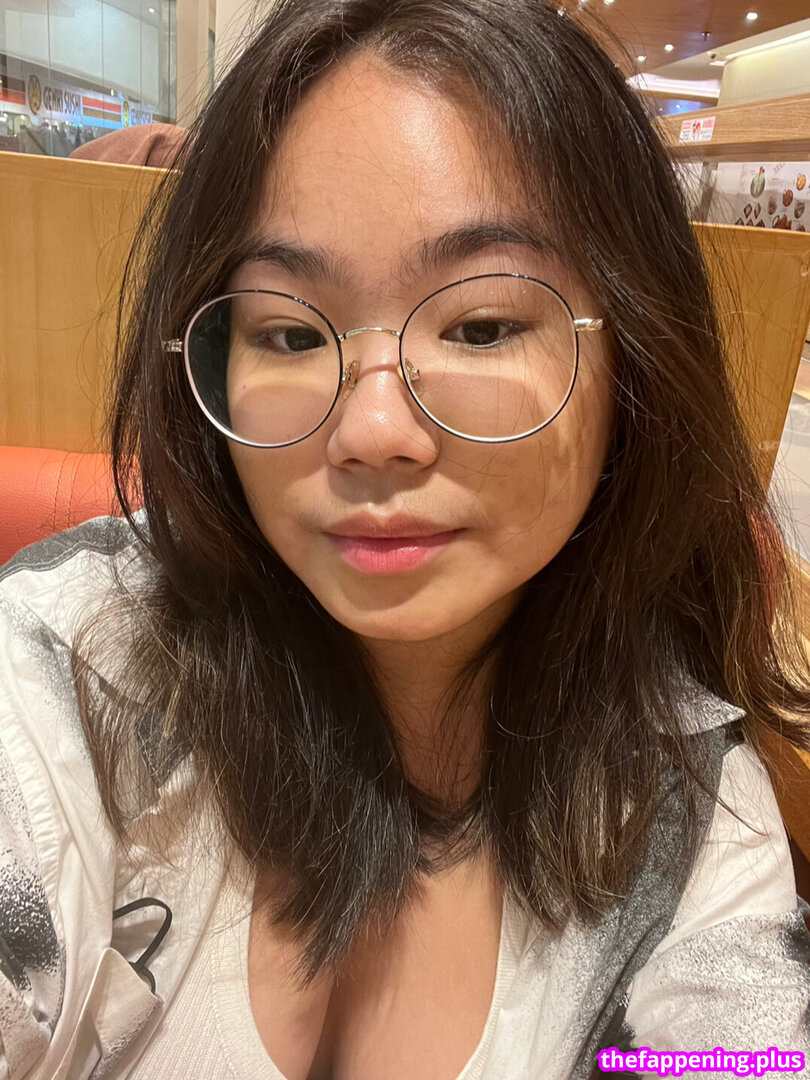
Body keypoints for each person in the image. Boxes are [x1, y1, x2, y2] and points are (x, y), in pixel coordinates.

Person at [2, 1, 810, 1078]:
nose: (372, 432)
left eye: (481, 325)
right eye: (291, 332)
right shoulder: (75, 667)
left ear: (634, 365)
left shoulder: (698, 825)